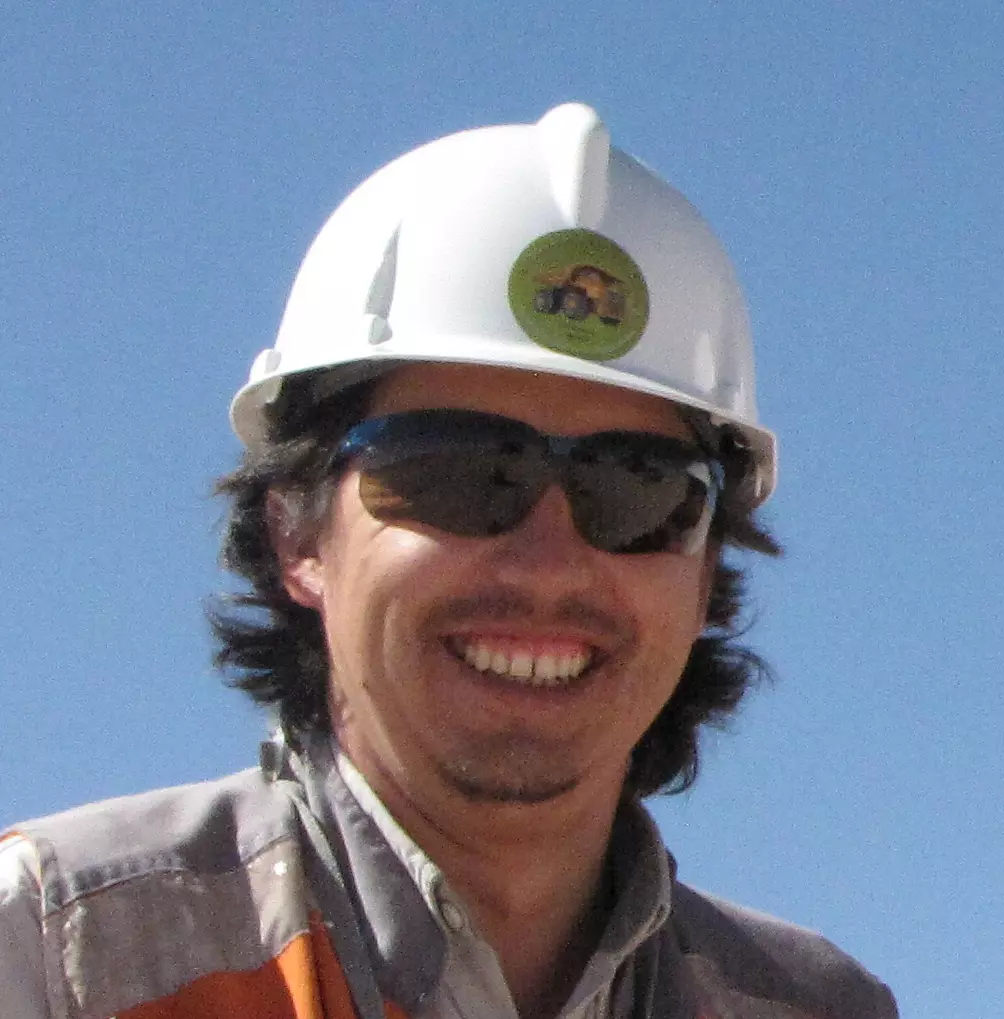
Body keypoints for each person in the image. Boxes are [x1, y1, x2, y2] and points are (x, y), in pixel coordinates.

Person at [0, 103, 898, 1019]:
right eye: (457, 474)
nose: (548, 565)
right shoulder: (56, 949)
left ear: (705, 574)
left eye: (636, 490)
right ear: (297, 535)